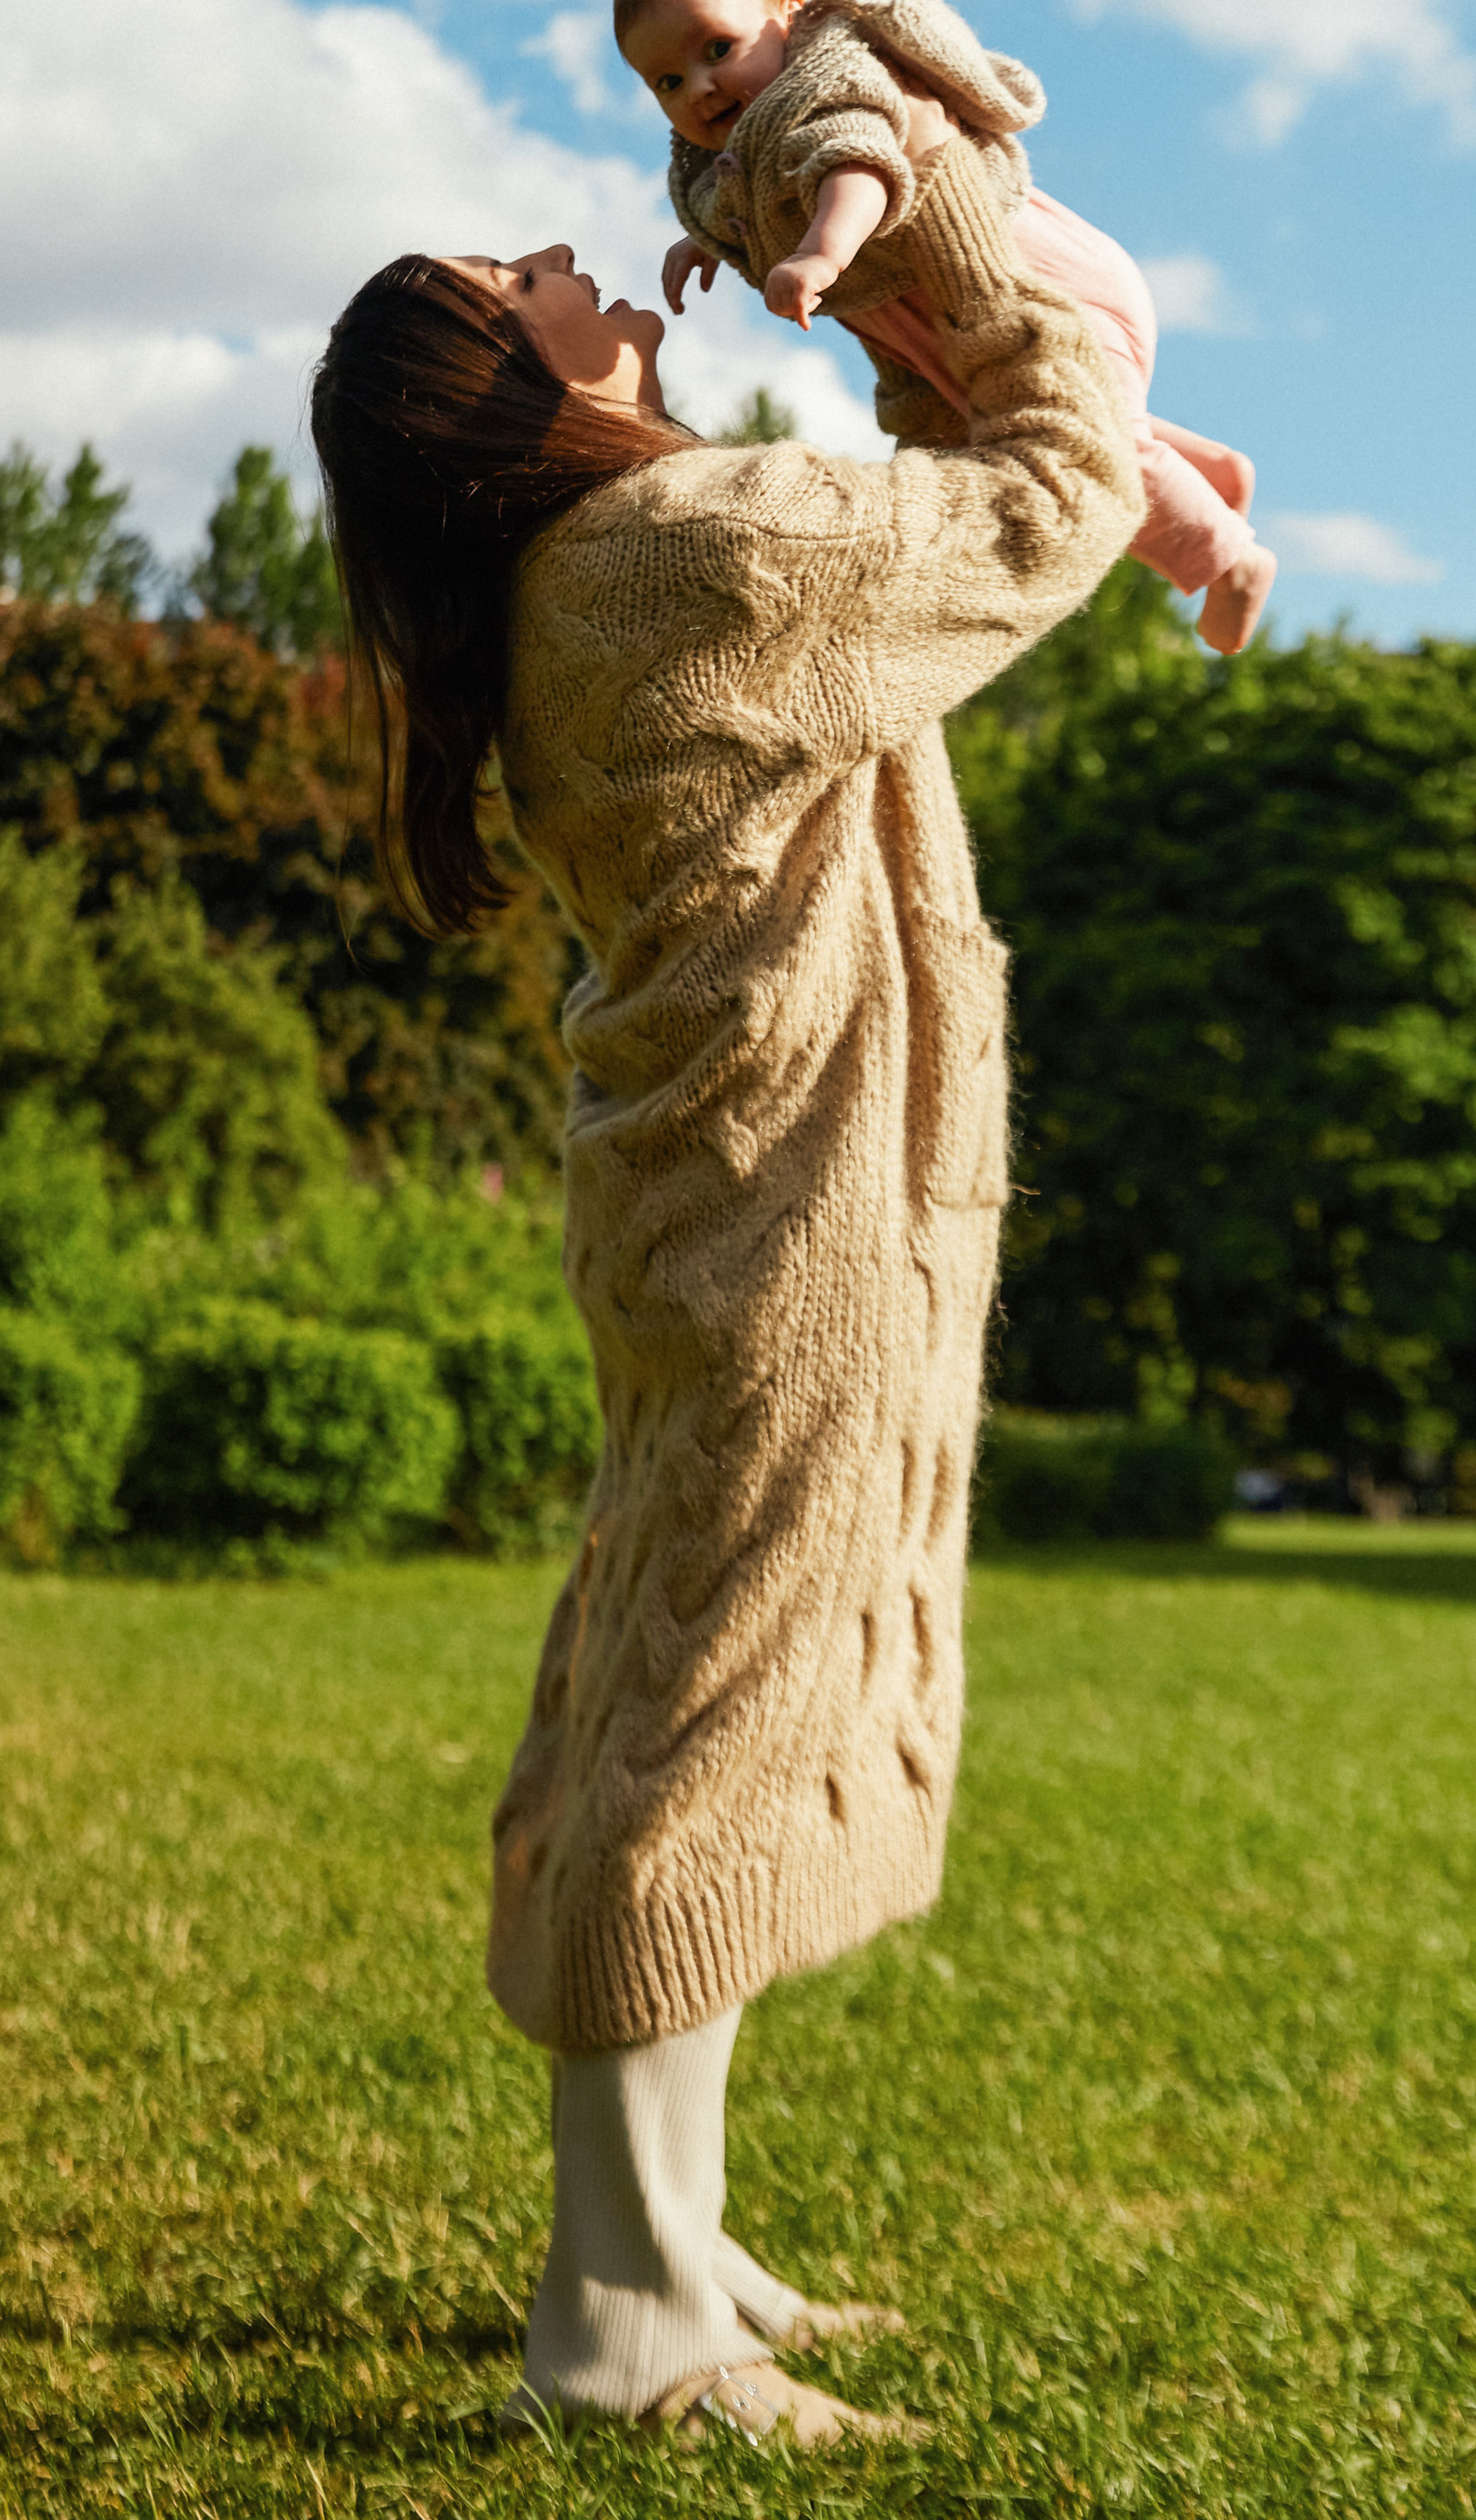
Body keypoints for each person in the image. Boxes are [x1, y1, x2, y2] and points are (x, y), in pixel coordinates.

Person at [307, 158, 1141, 2446]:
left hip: (722, 1216)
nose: (572, 264)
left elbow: (921, 524)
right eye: (519, 281)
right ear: (509, 381)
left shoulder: (619, 569)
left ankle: (674, 2238)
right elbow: (1047, 498)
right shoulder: (685, 556)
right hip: (784, 1221)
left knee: (677, 1707)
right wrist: (953, 212)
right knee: (701, 1737)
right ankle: (620, 2327)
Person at [613, 0, 1275, 655]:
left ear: (788, 17)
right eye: (669, 78)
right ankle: (1215, 472)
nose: (701, 86)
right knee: (1009, 435)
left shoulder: (826, 83)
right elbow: (748, 209)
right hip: (950, 331)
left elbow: (859, 165)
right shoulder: (739, 152)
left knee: (1094, 450)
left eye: (718, 47)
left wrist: (821, 255)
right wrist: (705, 243)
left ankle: (1228, 563)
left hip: (1039, 284)